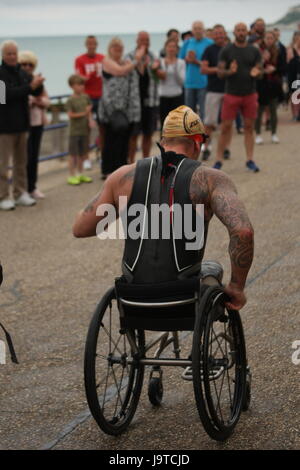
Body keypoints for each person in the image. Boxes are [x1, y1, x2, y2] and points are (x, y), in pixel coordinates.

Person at [73, 105, 254, 311]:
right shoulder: (211, 179)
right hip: (184, 295)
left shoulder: (122, 177)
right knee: (212, 268)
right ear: (197, 143)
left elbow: (80, 229)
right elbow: (243, 231)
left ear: (162, 141)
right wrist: (237, 287)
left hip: (133, 296)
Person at [0, 40, 44, 211]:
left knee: (21, 163)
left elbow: (34, 91)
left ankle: (21, 193)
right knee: (3, 165)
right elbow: (4, 97)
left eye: (14, 53)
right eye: (9, 53)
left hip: (22, 126)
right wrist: (29, 87)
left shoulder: (22, 72)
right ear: (3, 55)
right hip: (4, 128)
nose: (12, 56)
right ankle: (3, 196)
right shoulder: (0, 73)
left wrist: (38, 84)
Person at [212, 23, 262, 172]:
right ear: (234, 32)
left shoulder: (254, 50)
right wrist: (230, 71)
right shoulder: (226, 50)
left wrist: (257, 73)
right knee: (225, 127)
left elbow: (261, 71)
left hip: (249, 93)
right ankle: (219, 160)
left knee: (249, 127)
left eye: (243, 30)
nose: (241, 33)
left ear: (247, 32)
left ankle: (250, 159)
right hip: (231, 94)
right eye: (238, 30)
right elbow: (220, 73)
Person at [98, 37, 143, 179]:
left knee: (124, 138)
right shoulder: (107, 61)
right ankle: (108, 169)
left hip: (124, 108)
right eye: (115, 48)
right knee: (111, 138)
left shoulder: (125, 62)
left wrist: (137, 61)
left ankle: (121, 167)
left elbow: (138, 72)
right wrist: (136, 60)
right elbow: (120, 71)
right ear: (110, 49)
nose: (118, 51)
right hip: (110, 108)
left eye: (120, 49)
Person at [19, 50, 50, 199]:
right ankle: (19, 189)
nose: (27, 67)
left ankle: (32, 187)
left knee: (33, 156)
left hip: (37, 123)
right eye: (23, 64)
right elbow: (6, 99)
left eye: (30, 64)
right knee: (20, 158)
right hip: (19, 125)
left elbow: (46, 100)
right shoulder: (14, 80)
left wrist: (39, 101)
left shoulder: (37, 81)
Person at [126, 31, 160, 163]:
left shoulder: (153, 56)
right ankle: (131, 163)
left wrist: (154, 70)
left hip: (150, 101)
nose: (145, 43)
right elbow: (126, 74)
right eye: (142, 40)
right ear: (137, 41)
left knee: (148, 134)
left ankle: (145, 163)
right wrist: (139, 61)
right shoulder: (129, 56)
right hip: (134, 102)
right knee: (133, 135)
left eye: (147, 40)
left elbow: (158, 81)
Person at [75, 35, 105, 170]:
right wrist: (93, 72)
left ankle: (102, 155)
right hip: (87, 98)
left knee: (103, 128)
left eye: (94, 44)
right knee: (86, 129)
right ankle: (86, 158)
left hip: (102, 96)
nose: (92, 46)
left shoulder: (102, 58)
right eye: (89, 44)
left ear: (96, 44)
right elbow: (79, 79)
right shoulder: (80, 60)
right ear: (86, 45)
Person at [200, 24, 230, 160]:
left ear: (225, 34)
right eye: (216, 33)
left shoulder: (230, 49)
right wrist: (218, 70)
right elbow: (203, 69)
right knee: (209, 123)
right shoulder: (209, 49)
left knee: (227, 122)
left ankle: (226, 148)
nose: (219, 36)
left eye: (221, 33)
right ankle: (206, 148)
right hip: (213, 90)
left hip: (230, 90)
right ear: (213, 35)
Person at [255, 31, 286, 144]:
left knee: (273, 111)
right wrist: (263, 61)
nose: (269, 40)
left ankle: (274, 134)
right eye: (267, 38)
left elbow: (283, 69)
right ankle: (258, 134)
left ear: (274, 39)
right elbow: (254, 69)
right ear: (263, 39)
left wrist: (275, 70)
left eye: (271, 38)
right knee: (259, 111)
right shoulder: (258, 51)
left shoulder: (279, 51)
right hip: (261, 85)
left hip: (274, 85)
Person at [179, 21, 213, 120]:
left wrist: (196, 61)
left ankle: (202, 132)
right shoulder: (187, 42)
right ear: (192, 31)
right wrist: (187, 59)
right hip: (189, 81)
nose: (197, 31)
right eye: (195, 28)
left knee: (203, 110)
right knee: (189, 111)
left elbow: (212, 62)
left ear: (203, 30)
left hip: (204, 81)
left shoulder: (209, 43)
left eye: (199, 28)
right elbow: (180, 60)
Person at [65, 74, 94, 185]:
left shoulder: (86, 97)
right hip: (74, 132)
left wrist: (90, 119)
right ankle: (71, 175)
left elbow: (89, 110)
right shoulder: (70, 100)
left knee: (83, 154)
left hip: (84, 130)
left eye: (82, 84)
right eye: (79, 85)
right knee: (73, 155)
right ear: (72, 86)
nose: (81, 87)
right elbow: (70, 115)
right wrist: (84, 113)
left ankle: (80, 173)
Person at [157, 38, 185, 127]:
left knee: (176, 126)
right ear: (165, 48)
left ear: (177, 49)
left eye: (173, 47)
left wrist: (174, 67)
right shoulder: (159, 62)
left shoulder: (181, 63)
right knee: (164, 125)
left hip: (177, 97)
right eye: (169, 47)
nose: (171, 49)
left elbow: (181, 82)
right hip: (163, 97)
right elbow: (157, 80)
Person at [287, 32, 300, 121]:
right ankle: (295, 114)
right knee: (294, 94)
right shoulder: (290, 49)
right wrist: (294, 48)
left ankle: (298, 114)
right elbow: (288, 61)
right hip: (293, 75)